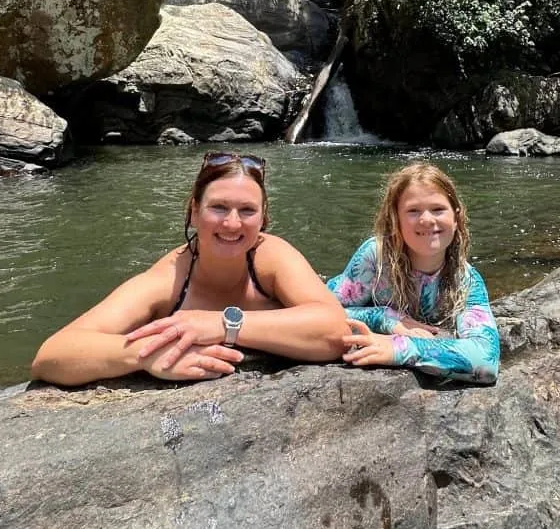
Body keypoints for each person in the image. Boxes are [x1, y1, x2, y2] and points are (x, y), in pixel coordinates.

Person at [31, 152, 348, 386]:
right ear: (194, 212)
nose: (232, 223)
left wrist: (223, 324)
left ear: (263, 219)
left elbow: (335, 330)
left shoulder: (271, 256)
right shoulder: (166, 280)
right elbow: (52, 355)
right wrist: (147, 355)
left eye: (247, 210)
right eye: (219, 208)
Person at [328, 162, 500, 383]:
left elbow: (486, 359)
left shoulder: (467, 281)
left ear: (456, 218)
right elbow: (326, 312)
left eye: (438, 209)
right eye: (413, 211)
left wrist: (399, 349)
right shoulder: (375, 257)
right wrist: (385, 317)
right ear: (395, 221)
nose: (427, 220)